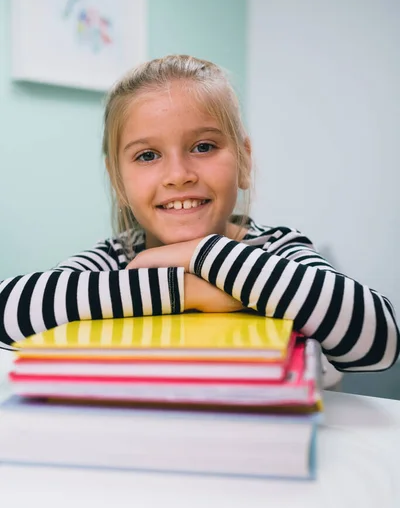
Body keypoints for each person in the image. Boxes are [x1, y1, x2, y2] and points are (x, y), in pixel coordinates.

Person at [0, 54, 398, 373]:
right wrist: (187, 291)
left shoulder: (275, 248)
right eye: (148, 155)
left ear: (243, 161)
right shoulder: (116, 258)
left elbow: (379, 342)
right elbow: (7, 310)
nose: (178, 175)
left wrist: (201, 254)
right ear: (119, 182)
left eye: (204, 147)